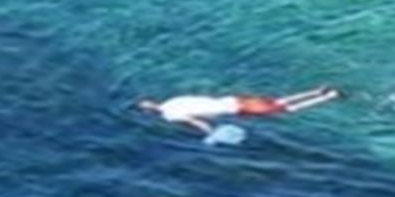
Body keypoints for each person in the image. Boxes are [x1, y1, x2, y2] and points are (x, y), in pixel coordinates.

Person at [136, 86, 342, 135]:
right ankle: (316, 90)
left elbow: (195, 122)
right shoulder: (174, 100)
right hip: (233, 99)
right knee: (277, 101)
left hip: (235, 108)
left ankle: (327, 97)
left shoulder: (170, 116)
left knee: (287, 110)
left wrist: (211, 133)